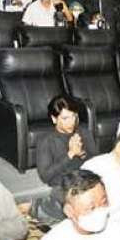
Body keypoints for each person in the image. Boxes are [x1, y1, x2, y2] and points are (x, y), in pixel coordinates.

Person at [33, 96, 98, 224]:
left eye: (74, 116)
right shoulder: (46, 141)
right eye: (65, 118)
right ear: (54, 119)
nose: (71, 122)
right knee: (83, 212)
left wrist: (82, 153)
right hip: (62, 186)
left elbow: (96, 161)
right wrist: (70, 154)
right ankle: (40, 207)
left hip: (86, 181)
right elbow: (45, 176)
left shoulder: (84, 132)